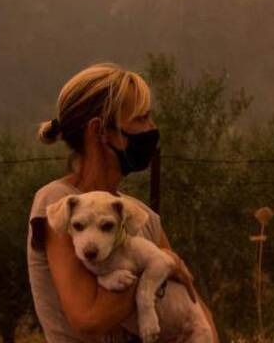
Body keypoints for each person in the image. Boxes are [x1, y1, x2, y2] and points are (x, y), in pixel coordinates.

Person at [27, 63, 218, 343]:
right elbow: (88, 319)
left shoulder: (142, 217)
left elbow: (197, 310)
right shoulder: (58, 204)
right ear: (100, 131)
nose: (151, 130)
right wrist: (156, 267)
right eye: (141, 120)